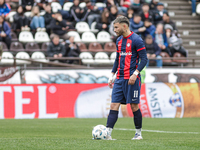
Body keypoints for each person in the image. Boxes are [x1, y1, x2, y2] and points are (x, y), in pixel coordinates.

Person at [107, 16, 147, 140]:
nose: (114, 30)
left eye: (116, 27)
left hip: (132, 79)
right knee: (114, 105)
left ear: (124, 26)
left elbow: (144, 59)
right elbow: (117, 59)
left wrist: (135, 74)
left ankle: (138, 133)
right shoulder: (118, 40)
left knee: (134, 106)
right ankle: (107, 134)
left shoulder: (136, 40)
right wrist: (112, 74)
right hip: (119, 78)